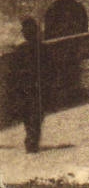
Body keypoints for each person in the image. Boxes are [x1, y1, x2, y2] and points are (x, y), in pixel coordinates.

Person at [15, 17, 43, 152]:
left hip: (25, 86)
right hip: (37, 85)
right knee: (35, 113)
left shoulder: (21, 49)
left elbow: (14, 70)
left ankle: (31, 139)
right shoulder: (41, 47)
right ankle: (33, 139)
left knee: (27, 112)